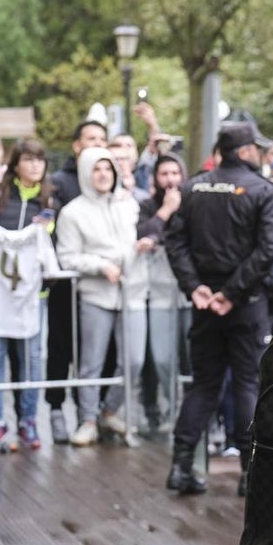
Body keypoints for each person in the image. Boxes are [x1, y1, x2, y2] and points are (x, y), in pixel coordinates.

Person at [163, 122, 273, 496]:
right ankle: (250, 473)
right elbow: (267, 251)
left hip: (207, 303)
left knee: (204, 384)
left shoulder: (192, 186)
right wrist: (230, 292)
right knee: (247, 382)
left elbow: (174, 241)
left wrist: (197, 288)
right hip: (244, 304)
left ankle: (181, 467)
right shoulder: (262, 190)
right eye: (256, 148)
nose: (260, 154)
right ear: (244, 152)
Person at [0, 139, 59, 453]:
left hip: (34, 295)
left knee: (32, 357)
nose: (36, 165)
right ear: (16, 163)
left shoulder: (51, 200)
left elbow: (56, 248)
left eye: (40, 160)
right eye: (29, 159)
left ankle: (28, 419)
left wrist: (47, 231)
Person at [56, 148, 144, 446]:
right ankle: (88, 420)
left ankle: (110, 411)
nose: (103, 174)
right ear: (85, 173)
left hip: (132, 292)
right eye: (96, 169)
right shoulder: (72, 212)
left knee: (134, 360)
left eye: (108, 168)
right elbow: (67, 257)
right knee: (91, 362)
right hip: (96, 294)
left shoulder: (128, 205)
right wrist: (100, 265)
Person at [46, 120, 109, 443]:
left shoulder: (109, 182)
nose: (97, 143)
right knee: (60, 348)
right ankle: (56, 409)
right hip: (65, 285)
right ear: (76, 145)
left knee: (96, 351)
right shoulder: (57, 183)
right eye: (90, 138)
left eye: (102, 139)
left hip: (98, 287)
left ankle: (94, 411)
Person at [136, 153, 189, 433]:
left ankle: (183, 413)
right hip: (156, 291)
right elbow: (142, 234)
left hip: (188, 293)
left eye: (174, 173)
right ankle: (161, 408)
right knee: (161, 357)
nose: (170, 180)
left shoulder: (192, 202)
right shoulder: (147, 206)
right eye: (164, 174)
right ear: (155, 178)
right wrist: (165, 211)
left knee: (189, 356)